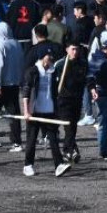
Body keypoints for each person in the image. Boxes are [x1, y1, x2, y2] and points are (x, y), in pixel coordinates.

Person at [19, 45, 71, 177]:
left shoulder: (52, 72)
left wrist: (56, 110)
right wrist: (26, 111)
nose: (51, 59)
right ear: (42, 58)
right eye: (49, 57)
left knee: (53, 138)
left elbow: (54, 92)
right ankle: (28, 165)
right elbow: (26, 92)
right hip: (34, 111)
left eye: (52, 57)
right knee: (32, 138)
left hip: (49, 110)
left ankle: (58, 165)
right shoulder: (33, 72)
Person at [0, 21, 24, 152]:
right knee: (14, 113)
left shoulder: (0, 45)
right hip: (15, 83)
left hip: (3, 84)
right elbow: (21, 63)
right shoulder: (17, 44)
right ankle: (17, 142)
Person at [53, 43, 88, 163]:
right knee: (68, 126)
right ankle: (71, 151)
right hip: (63, 99)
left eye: (77, 49)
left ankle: (69, 150)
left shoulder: (83, 63)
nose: (75, 52)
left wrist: (92, 88)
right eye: (73, 49)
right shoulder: (60, 64)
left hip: (77, 99)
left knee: (73, 127)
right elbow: (53, 82)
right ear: (67, 49)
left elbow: (87, 78)